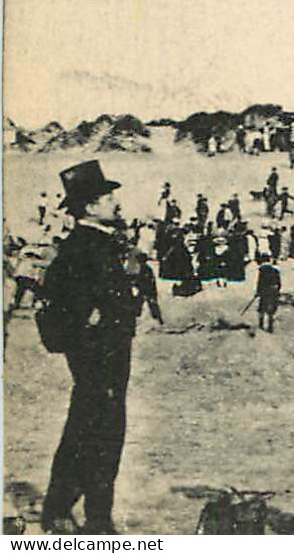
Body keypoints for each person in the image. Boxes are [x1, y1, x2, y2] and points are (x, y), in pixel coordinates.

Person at [39, 162, 145, 535]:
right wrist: (92, 325)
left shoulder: (98, 242)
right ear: (91, 206)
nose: (116, 202)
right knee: (96, 432)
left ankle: (75, 509)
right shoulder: (85, 246)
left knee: (94, 428)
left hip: (108, 354)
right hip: (98, 355)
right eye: (108, 197)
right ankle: (86, 516)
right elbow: (73, 300)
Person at [254, 255, 282, 333]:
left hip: (265, 292)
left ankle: (261, 324)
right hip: (273, 292)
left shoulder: (262, 270)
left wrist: (258, 292)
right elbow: (279, 284)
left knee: (262, 309)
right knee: (271, 310)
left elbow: (260, 283)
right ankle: (270, 327)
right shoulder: (276, 270)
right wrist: (277, 291)